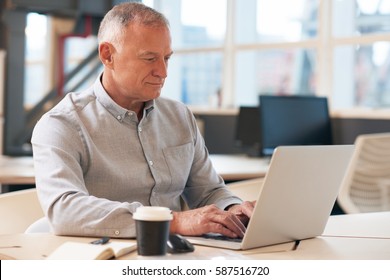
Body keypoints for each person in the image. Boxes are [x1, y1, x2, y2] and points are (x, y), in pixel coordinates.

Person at [31, 2, 255, 239]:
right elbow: (65, 210)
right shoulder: (61, 124)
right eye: (149, 59)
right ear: (108, 55)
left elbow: (208, 192)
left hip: (179, 258)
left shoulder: (180, 117)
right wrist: (171, 221)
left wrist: (233, 210)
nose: (163, 71)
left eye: (166, 58)